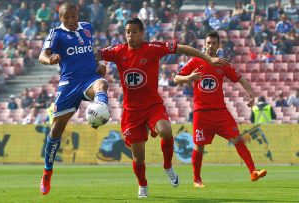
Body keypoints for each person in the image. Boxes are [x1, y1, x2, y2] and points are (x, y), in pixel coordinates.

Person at [97, 18, 228, 198]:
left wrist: (207, 58)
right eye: (128, 31)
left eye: (134, 31)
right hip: (131, 111)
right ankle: (142, 185)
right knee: (139, 158)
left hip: (152, 106)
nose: (130, 35)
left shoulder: (152, 48)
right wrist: (100, 64)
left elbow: (181, 47)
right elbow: (95, 54)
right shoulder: (118, 51)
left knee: (166, 131)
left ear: (142, 33)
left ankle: (167, 166)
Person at [173, 31, 267, 188]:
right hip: (201, 113)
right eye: (208, 43)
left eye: (214, 43)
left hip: (220, 112)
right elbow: (176, 79)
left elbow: (240, 78)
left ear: (218, 45)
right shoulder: (195, 61)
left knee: (237, 138)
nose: (210, 46)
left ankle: (253, 171)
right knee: (199, 146)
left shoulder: (222, 63)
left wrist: (251, 94)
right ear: (204, 44)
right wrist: (189, 78)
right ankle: (197, 179)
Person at [38, 2, 108, 195]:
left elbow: (93, 51)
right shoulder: (55, 33)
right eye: (66, 17)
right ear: (60, 18)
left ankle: (100, 110)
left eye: (73, 16)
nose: (70, 20)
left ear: (78, 15)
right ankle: (47, 172)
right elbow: (42, 56)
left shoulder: (86, 27)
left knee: (102, 84)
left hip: (89, 78)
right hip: (69, 85)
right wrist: (49, 59)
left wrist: (100, 61)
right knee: (56, 129)